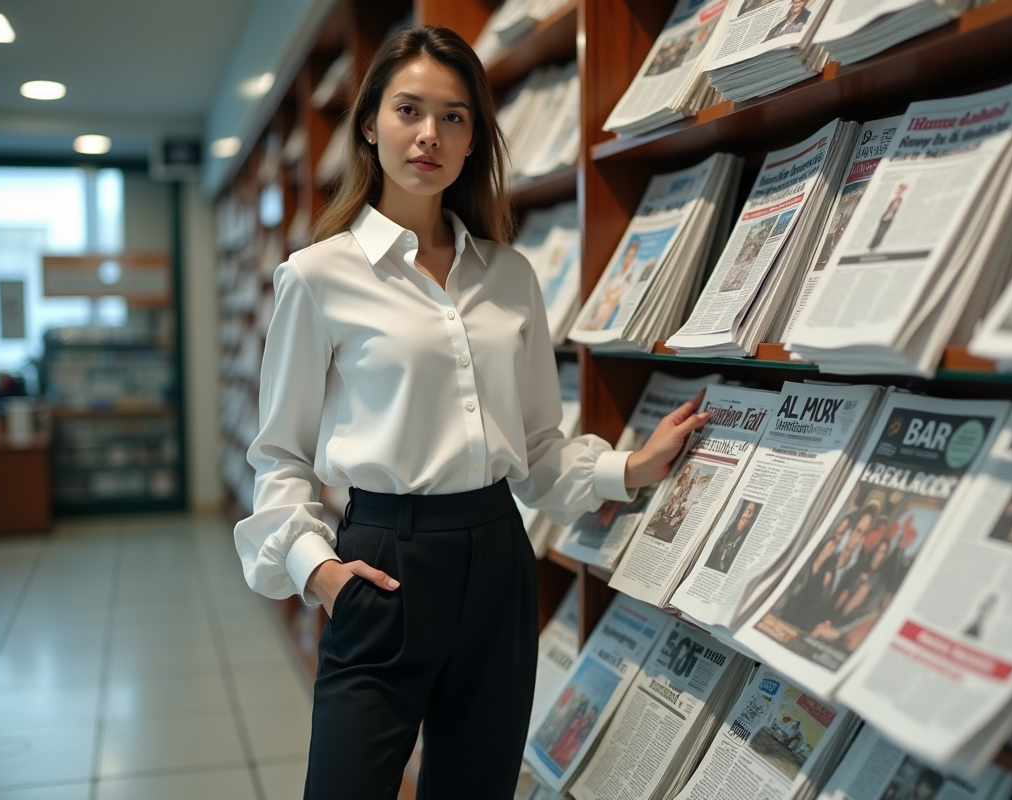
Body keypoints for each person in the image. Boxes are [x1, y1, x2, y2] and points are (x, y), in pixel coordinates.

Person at [232, 26, 710, 800]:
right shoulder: (316, 278)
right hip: (381, 560)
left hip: (495, 559)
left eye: (455, 117)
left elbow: (536, 449)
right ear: (368, 124)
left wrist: (632, 467)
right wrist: (317, 572)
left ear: (475, 138)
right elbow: (280, 456)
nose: (430, 135)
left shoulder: (510, 275)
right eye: (409, 110)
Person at [704, 499, 760, 573]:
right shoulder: (728, 533)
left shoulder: (744, 538)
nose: (747, 520)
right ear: (740, 514)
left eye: (750, 519)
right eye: (744, 518)